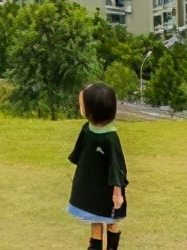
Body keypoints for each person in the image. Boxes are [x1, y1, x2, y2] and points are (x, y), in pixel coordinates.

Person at [67, 83, 128, 250]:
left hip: (108, 189)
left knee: (111, 221)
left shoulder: (110, 137)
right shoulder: (86, 129)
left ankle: (112, 247)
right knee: (95, 219)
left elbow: (117, 166)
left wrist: (117, 191)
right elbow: (81, 155)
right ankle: (94, 246)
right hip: (91, 185)